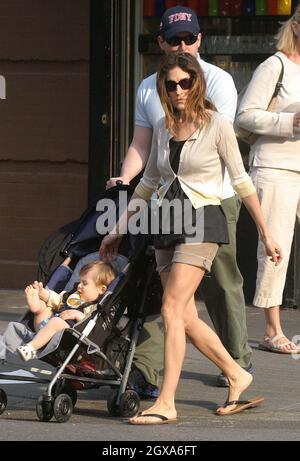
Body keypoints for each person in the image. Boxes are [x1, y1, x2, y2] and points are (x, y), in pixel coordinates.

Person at [100, 52, 282, 423]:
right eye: (171, 85)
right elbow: (149, 183)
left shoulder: (216, 124)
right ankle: (236, 373)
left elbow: (241, 180)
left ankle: (166, 402)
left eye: (186, 82)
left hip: (203, 219)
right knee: (182, 314)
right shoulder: (165, 127)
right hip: (168, 219)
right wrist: (117, 228)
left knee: (170, 308)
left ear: (196, 82)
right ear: (163, 89)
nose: (179, 90)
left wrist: (266, 232)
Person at [107, 5, 252, 389]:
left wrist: (266, 232)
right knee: (167, 297)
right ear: (161, 42)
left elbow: (216, 142)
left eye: (189, 37)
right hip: (165, 207)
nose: (183, 44)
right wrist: (125, 177)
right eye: (174, 39)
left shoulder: (216, 80)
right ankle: (148, 373)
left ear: (200, 39)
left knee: (221, 284)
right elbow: (145, 145)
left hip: (211, 202)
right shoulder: (147, 87)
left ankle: (236, 362)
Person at [235, 7, 300, 354]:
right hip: (276, 166)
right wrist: (289, 122)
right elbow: (245, 115)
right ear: (297, 26)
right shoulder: (275, 66)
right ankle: (272, 329)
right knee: (276, 248)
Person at [16, 261, 116, 361]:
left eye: (84, 283)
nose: (79, 286)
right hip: (45, 326)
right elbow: (57, 300)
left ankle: (30, 348)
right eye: (80, 281)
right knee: (45, 307)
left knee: (56, 322)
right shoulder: (73, 296)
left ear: (101, 289)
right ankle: (37, 309)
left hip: (66, 337)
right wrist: (42, 293)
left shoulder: (95, 308)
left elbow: (93, 328)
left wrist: (79, 315)